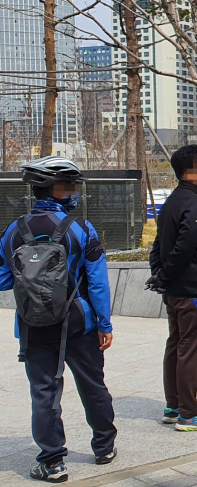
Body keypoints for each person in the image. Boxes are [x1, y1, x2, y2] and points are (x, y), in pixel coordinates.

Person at [0, 157, 116, 482]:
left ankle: (52, 463)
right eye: (71, 186)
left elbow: (3, 279)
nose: (74, 191)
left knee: (44, 392)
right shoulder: (81, 229)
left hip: (31, 325)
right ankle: (104, 447)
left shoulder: (13, 231)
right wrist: (105, 325)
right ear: (58, 189)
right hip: (79, 322)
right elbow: (97, 283)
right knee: (91, 383)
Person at [149, 145, 197, 431]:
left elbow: (158, 245)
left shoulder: (172, 201)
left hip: (175, 290)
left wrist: (160, 275)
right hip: (192, 289)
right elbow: (185, 246)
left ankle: (174, 405)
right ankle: (189, 413)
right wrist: (164, 275)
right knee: (190, 348)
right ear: (192, 171)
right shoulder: (194, 205)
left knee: (176, 344)